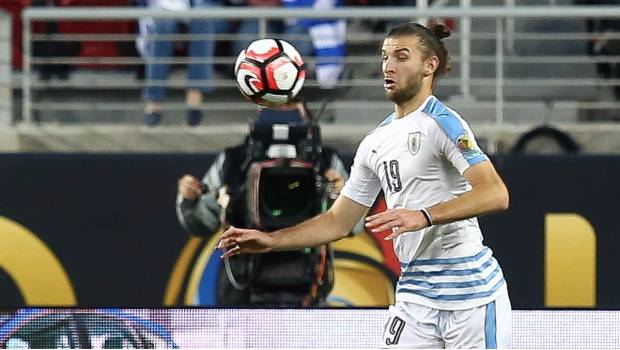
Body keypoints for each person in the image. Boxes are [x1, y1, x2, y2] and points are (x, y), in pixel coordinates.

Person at [219, 22, 511, 348]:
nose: (389, 65)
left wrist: (423, 216)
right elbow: (338, 220)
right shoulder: (376, 141)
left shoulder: (442, 122)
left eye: (402, 56)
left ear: (430, 66)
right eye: (385, 56)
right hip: (415, 291)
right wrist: (271, 240)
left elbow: (495, 194)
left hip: (469, 293)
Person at [176, 101, 356, 305]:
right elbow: (203, 224)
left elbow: (353, 225)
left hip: (309, 283)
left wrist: (342, 196)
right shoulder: (234, 161)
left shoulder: (325, 161)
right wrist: (189, 200)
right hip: (245, 285)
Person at [139, 0, 223, 127]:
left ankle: (194, 96)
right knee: (162, 23)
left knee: (202, 17)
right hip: (164, 5)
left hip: (205, 4)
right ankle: (154, 101)